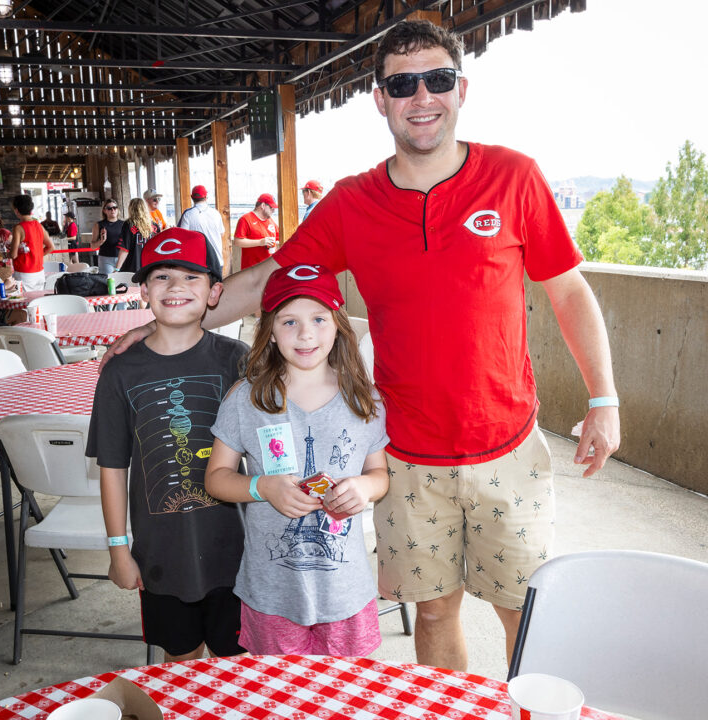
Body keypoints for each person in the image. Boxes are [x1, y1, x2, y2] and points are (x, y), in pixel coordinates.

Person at [104, 20, 621, 671]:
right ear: (380, 99)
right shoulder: (354, 202)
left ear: (460, 88)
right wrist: (174, 325)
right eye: (402, 84)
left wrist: (603, 397)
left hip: (508, 446)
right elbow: (269, 278)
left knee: (526, 612)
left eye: (436, 80)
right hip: (403, 452)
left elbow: (568, 291)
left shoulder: (513, 177)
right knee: (433, 612)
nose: (421, 97)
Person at [205, 264, 389, 655]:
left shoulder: (365, 399)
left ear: (338, 325)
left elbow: (380, 474)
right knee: (277, 697)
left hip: (346, 593)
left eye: (318, 319)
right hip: (271, 594)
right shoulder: (246, 398)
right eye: (289, 321)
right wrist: (261, 487)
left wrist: (363, 487)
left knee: (344, 698)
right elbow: (216, 477)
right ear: (270, 331)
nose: (305, 334)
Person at [86, 227, 247, 662]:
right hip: (160, 556)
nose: (176, 287)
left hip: (239, 552)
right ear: (142, 291)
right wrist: (118, 549)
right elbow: (113, 467)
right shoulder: (119, 373)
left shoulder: (238, 360)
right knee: (181, 665)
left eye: (191, 276)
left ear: (215, 292)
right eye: (161, 277)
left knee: (241, 667)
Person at [177, 185, 226, 275]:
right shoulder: (215, 213)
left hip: (197, 261)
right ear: (206, 197)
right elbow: (221, 233)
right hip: (217, 259)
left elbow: (181, 236)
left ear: (192, 197)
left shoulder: (188, 214)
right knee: (217, 287)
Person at [10, 194, 54, 292]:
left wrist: (6, 252)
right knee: (38, 302)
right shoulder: (39, 225)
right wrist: (36, 255)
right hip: (39, 272)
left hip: (24, 273)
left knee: (23, 304)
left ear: (17, 211)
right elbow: (51, 247)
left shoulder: (18, 228)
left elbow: (13, 255)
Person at [233, 193, 279, 270]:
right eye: (271, 208)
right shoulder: (245, 219)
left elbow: (279, 237)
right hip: (251, 269)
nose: (273, 210)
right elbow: (237, 241)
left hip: (268, 267)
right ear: (263, 205)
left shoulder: (270, 220)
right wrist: (260, 242)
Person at [116, 198, 159, 274]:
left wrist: (117, 269)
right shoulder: (155, 226)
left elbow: (124, 249)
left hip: (133, 267)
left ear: (131, 209)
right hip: (150, 266)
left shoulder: (129, 224)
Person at [90, 199, 123, 274]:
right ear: (104, 211)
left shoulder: (124, 224)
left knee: (122, 282)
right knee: (108, 282)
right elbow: (92, 246)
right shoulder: (99, 225)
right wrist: (101, 241)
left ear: (117, 210)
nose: (112, 210)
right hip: (105, 259)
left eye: (115, 208)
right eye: (109, 208)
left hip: (121, 258)